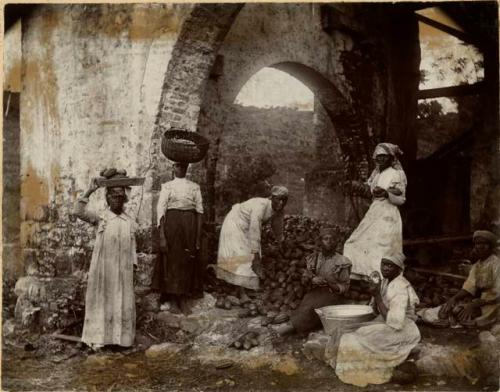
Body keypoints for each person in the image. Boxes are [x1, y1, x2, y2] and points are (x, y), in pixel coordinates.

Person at [74, 169, 138, 350]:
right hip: (104, 270)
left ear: (124, 198)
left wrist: (134, 266)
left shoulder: (129, 220)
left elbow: (133, 245)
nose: (116, 200)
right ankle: (99, 340)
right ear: (108, 198)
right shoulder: (101, 217)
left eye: (120, 196)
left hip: (123, 271)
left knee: (121, 301)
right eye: (113, 196)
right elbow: (77, 211)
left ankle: (121, 340)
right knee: (103, 301)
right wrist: (90, 190)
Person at [334, 253, 421, 387]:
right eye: (383, 264)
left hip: (402, 329)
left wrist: (377, 295)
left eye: (389, 266)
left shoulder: (400, 288)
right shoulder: (386, 281)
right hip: (388, 322)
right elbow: (377, 311)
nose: (385, 268)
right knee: (349, 331)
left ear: (399, 269)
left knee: (351, 339)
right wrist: (375, 293)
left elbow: (394, 322)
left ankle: (376, 370)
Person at [343, 142, 407, 278]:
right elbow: (369, 193)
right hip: (374, 211)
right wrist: (355, 187)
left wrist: (386, 193)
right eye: (378, 157)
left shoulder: (396, 174)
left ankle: (381, 279)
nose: (380, 159)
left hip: (388, 213)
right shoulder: (376, 175)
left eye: (384, 156)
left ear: (391, 158)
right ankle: (365, 277)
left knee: (382, 246)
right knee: (356, 241)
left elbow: (401, 198)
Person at [276, 227, 351, 335]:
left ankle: (285, 330)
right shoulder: (314, 258)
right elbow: (305, 277)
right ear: (321, 241)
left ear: (336, 242)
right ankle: (294, 325)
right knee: (306, 305)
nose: (329, 241)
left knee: (311, 310)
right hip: (315, 292)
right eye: (326, 239)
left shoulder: (343, 261)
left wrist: (328, 283)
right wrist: (311, 278)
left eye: (332, 239)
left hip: (332, 295)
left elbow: (345, 287)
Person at [418, 230, 500, 328]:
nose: (480, 247)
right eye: (478, 243)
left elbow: (497, 294)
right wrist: (454, 298)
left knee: (476, 315)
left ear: (490, 246)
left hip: (493, 302)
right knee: (453, 309)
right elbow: (469, 286)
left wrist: (473, 305)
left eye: (484, 243)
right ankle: (428, 317)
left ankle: (468, 321)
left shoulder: (496, 263)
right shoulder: (477, 265)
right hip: (479, 300)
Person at [153, 162, 204, 314]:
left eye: (183, 166)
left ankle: (183, 298)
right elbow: (161, 211)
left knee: (187, 258)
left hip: (190, 224)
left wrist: (197, 236)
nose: (180, 169)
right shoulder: (167, 186)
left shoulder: (194, 187)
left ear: (187, 168)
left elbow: (200, 211)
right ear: (173, 168)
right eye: (177, 166)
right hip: (172, 225)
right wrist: (162, 235)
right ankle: (173, 299)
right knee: (173, 259)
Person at [215, 186, 288, 291]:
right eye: (278, 199)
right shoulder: (261, 206)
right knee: (243, 255)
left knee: (249, 255)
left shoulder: (279, 211)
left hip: (246, 226)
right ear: (272, 198)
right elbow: (255, 229)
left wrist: (281, 242)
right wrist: (256, 254)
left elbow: (278, 227)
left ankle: (244, 287)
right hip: (235, 223)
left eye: (284, 200)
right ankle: (241, 291)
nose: (281, 203)